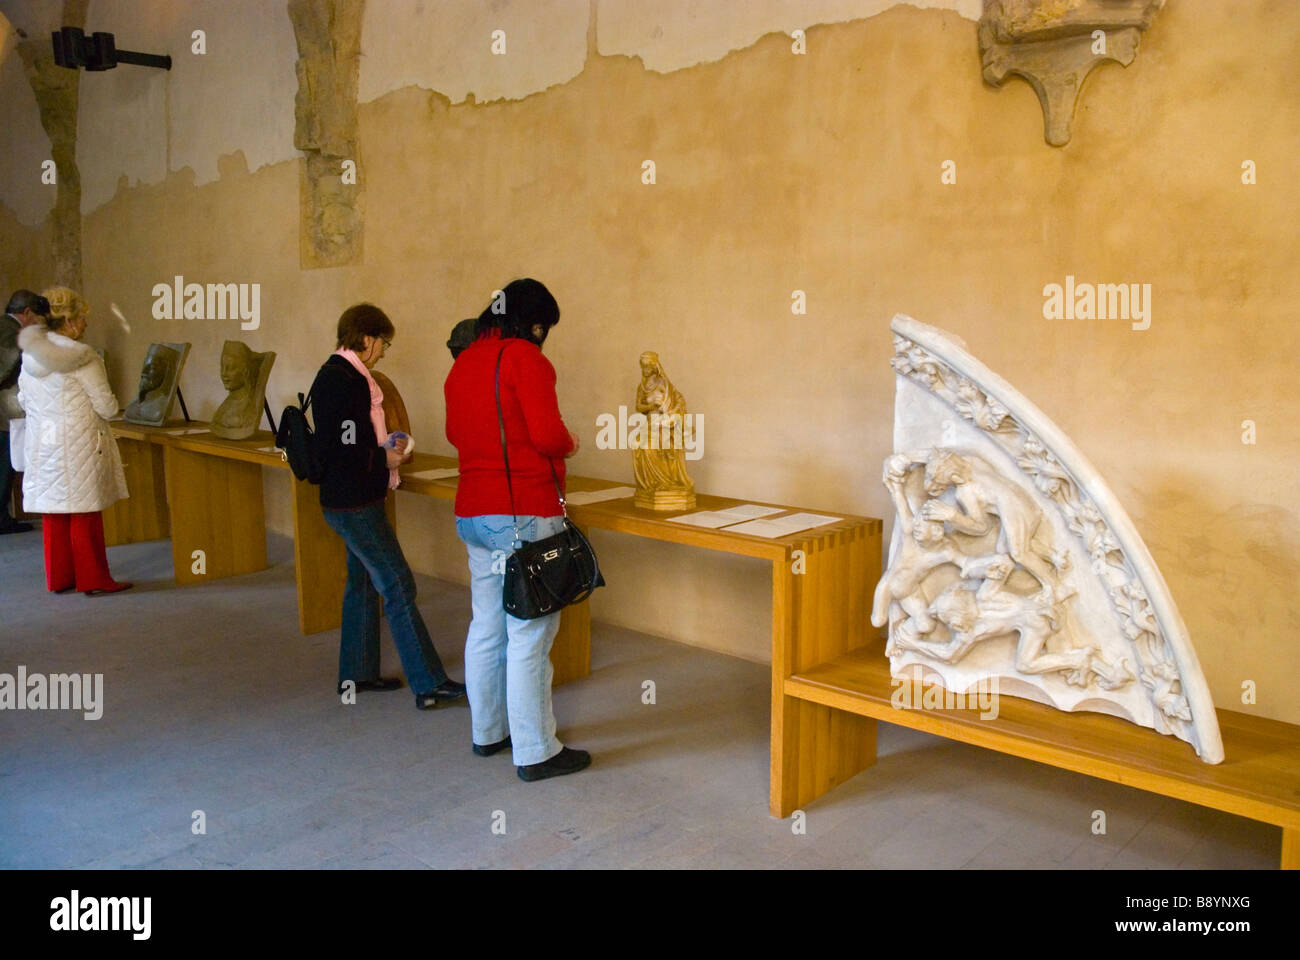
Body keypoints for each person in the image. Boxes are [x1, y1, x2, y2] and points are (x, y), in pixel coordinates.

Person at [444, 278, 590, 782]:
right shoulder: (526, 359)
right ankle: (536, 751)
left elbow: (455, 434)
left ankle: (488, 733)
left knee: (486, 624)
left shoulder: (464, 362)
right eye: (543, 327)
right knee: (529, 633)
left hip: (473, 514)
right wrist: (570, 443)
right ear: (534, 323)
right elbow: (547, 434)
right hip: (522, 510)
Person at [309, 302, 466, 709]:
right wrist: (385, 458)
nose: (383, 352)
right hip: (354, 502)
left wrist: (382, 450)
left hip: (346, 499)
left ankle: (358, 674)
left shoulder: (336, 374)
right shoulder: (346, 381)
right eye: (383, 343)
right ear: (366, 339)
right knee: (398, 584)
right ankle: (429, 684)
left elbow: (350, 440)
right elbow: (343, 448)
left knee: (362, 583)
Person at [17, 287, 131, 594]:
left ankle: (60, 578)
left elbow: (23, 399)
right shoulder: (81, 356)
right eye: (82, 318)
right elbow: (105, 406)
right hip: (79, 440)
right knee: (84, 511)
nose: (85, 324)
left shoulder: (30, 355)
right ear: (68, 320)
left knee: (54, 512)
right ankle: (93, 579)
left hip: (44, 442)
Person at [0, 289, 49, 534]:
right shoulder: (12, 332)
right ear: (27, 312)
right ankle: (1, 518)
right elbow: (6, 365)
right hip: (6, 411)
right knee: (6, 464)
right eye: (37, 317)